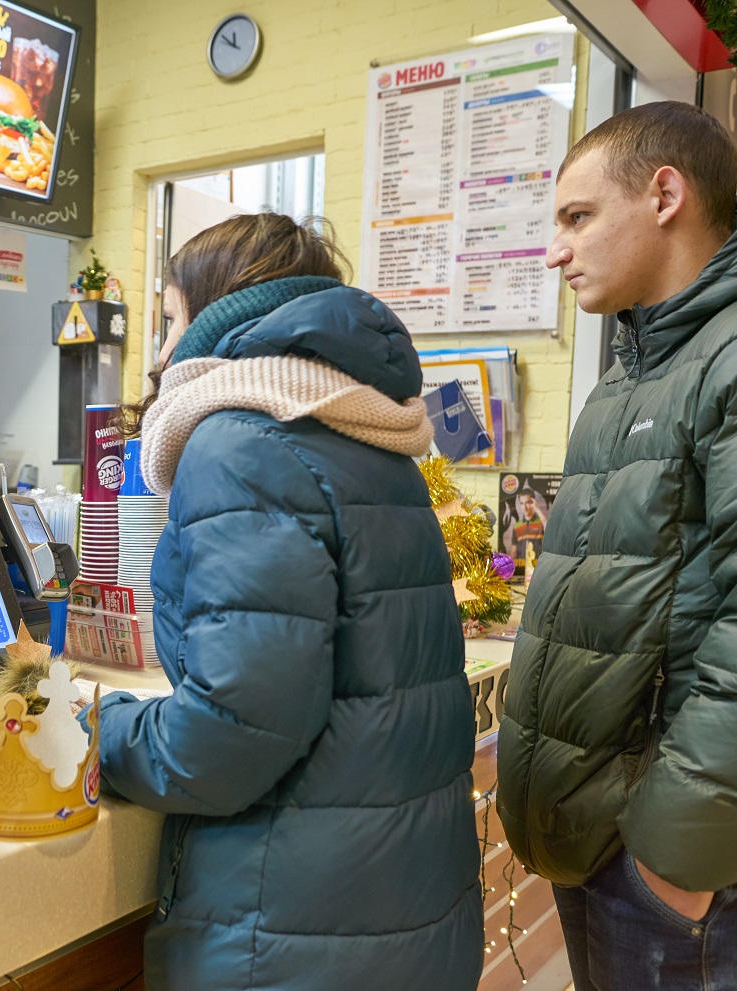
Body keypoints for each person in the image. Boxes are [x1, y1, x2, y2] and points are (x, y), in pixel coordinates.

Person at [499, 101, 737, 990]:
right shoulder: (644, 366)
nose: (555, 250)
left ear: (663, 194)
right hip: (617, 842)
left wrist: (676, 859)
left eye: (576, 216)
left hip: (700, 863)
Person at [92, 213, 482, 990]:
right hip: (404, 914)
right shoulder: (365, 434)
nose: (162, 352)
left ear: (215, 314)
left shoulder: (238, 442)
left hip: (288, 935)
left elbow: (230, 734)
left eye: (170, 320)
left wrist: (98, 726)